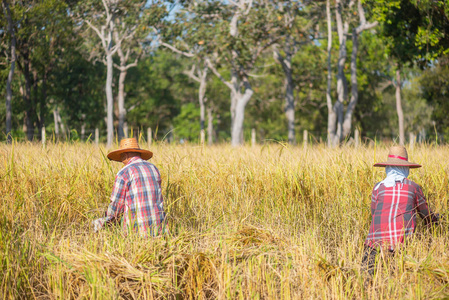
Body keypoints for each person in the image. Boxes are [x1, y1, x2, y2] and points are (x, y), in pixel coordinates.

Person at [362, 146, 438, 275]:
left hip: (372, 245)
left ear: (388, 168)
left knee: (367, 283)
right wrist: (436, 223)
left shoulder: (378, 187)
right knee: (395, 282)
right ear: (405, 169)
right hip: (399, 247)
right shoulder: (413, 187)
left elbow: (374, 213)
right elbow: (425, 215)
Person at [92, 138, 167, 236]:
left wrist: (101, 222)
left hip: (137, 232)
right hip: (159, 229)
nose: (122, 161)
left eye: (121, 157)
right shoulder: (154, 168)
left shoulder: (124, 172)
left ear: (125, 155)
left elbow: (116, 206)